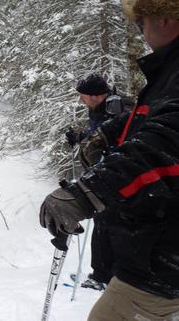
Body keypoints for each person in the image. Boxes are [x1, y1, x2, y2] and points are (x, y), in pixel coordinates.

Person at [40, 0, 179, 321]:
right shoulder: (167, 73)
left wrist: (86, 193)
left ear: (165, 20)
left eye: (142, 20)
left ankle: (100, 274)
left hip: (162, 258)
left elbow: (163, 145)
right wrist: (106, 133)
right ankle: (102, 272)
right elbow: (153, 119)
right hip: (153, 241)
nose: (141, 30)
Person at [66, 74, 132, 291]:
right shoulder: (103, 106)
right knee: (105, 222)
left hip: (115, 174)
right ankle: (106, 274)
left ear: (95, 96)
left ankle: (103, 276)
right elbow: (100, 131)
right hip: (111, 173)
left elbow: (116, 133)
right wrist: (81, 136)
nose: (82, 100)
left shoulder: (116, 108)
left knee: (105, 222)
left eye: (83, 96)